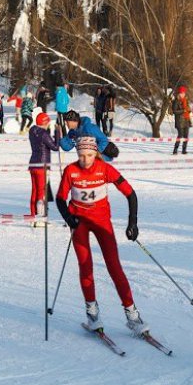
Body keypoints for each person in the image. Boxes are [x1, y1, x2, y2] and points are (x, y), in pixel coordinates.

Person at [55, 136, 149, 337]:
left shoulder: (104, 168)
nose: (85, 160)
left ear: (95, 153)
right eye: (81, 155)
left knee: (114, 267)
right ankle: (92, 314)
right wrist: (68, 218)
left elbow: (130, 194)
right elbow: (60, 198)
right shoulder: (71, 170)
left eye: (89, 155)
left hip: (101, 222)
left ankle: (132, 315)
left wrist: (133, 222)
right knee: (85, 266)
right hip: (79, 224)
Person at [28, 111, 61, 215]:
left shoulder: (32, 130)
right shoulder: (44, 134)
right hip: (42, 165)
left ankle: (33, 213)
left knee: (34, 190)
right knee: (41, 191)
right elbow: (55, 147)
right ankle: (41, 214)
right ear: (45, 122)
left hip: (33, 163)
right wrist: (57, 133)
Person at [171, 86, 192, 155]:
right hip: (179, 121)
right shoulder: (176, 101)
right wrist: (183, 110)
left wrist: (189, 110)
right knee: (180, 135)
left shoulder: (186, 100)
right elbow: (174, 111)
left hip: (186, 120)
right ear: (179, 93)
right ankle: (175, 149)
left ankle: (184, 150)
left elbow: (188, 109)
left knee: (186, 136)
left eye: (183, 93)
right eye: (181, 93)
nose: (182, 94)